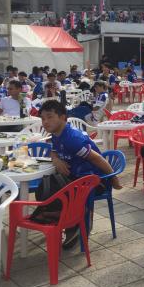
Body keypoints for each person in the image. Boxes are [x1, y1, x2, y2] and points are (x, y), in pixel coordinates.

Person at [40, 100, 121, 248]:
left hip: (95, 182)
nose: (45, 122)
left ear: (63, 117)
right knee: (46, 187)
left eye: (50, 117)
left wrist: (113, 179)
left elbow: (97, 158)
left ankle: (78, 221)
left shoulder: (72, 139)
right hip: (75, 178)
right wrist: (55, 159)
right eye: (43, 118)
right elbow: (52, 149)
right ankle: (71, 221)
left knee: (55, 193)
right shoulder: (56, 134)